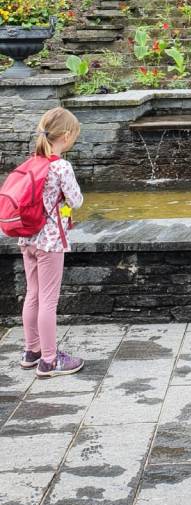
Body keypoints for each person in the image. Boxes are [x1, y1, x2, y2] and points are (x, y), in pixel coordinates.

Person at [19, 107, 85, 378]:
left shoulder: (32, 162)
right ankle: (49, 360)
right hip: (50, 241)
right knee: (48, 300)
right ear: (66, 136)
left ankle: (32, 351)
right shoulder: (60, 166)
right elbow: (76, 200)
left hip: (27, 238)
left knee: (32, 294)